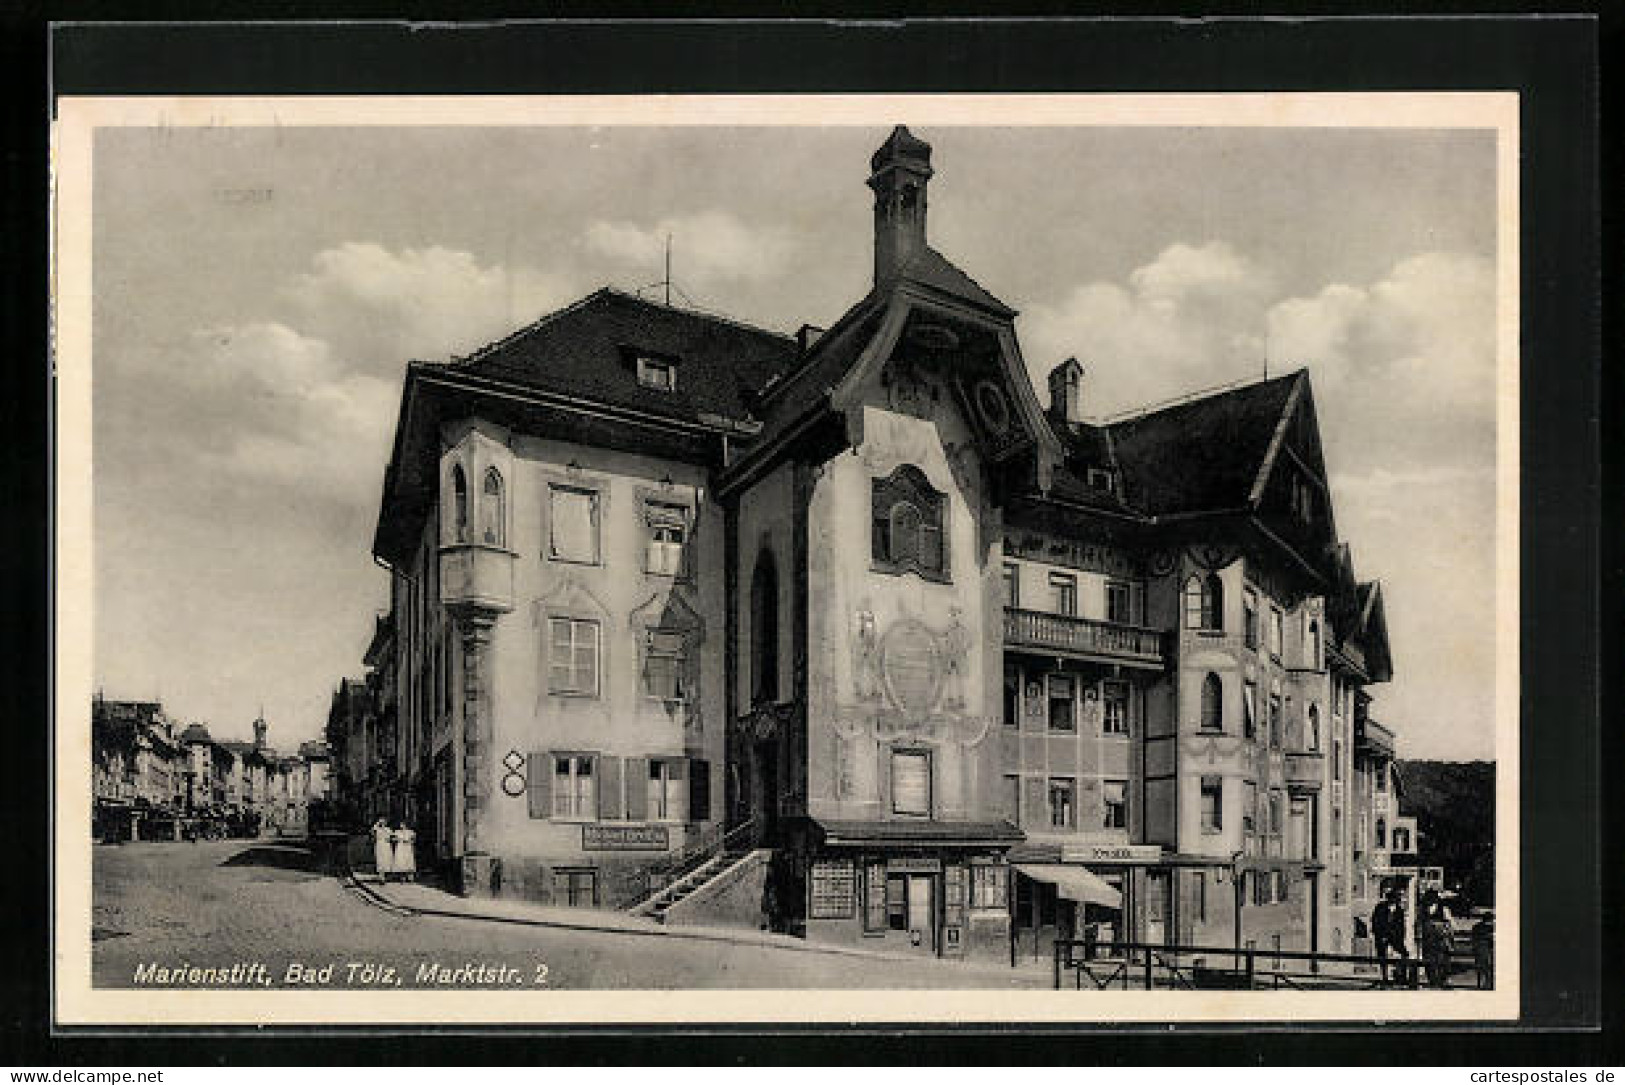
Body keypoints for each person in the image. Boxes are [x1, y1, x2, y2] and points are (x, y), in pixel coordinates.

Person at [1372, 887, 1410, 986]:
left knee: (1404, 954)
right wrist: (1381, 936)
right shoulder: (1380, 908)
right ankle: (1385, 978)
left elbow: (1401, 926)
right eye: (1392, 899)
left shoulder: (1399, 911)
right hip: (1382, 937)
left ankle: (1401, 976)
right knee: (1383, 958)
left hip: (1395, 938)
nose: (1394, 901)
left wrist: (1400, 938)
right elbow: (1375, 922)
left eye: (1396, 899)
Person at [1418, 889, 1453, 988]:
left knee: (1442, 960)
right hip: (1428, 939)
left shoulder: (1444, 909)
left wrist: (1446, 932)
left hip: (1440, 938)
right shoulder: (1422, 909)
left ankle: (1442, 979)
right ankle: (1432, 980)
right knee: (1428, 960)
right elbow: (1419, 923)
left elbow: (1450, 923)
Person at [370, 817, 393, 882]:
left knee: (386, 859)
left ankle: (384, 875)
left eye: (384, 822)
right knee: (380, 859)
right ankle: (381, 876)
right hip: (379, 845)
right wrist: (377, 824)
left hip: (386, 845)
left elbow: (392, 836)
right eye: (381, 822)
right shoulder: (377, 829)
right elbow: (372, 831)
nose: (382, 824)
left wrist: (389, 840)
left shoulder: (388, 829)